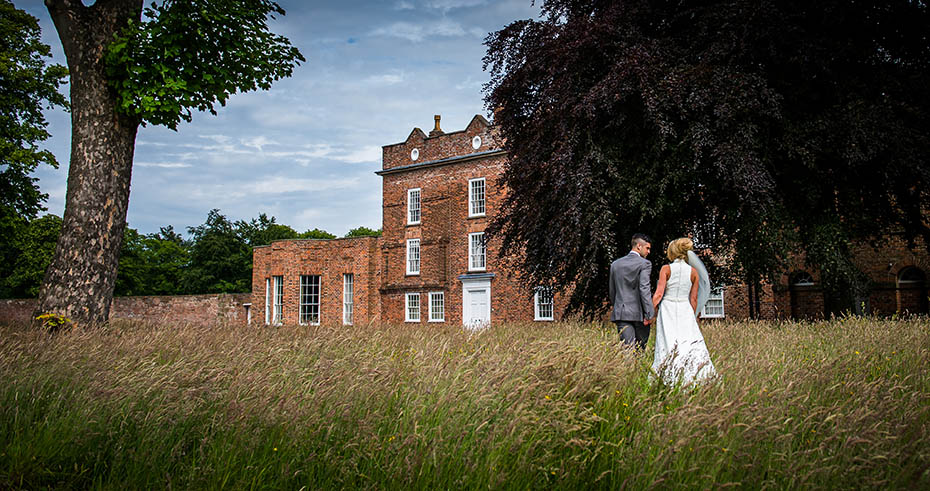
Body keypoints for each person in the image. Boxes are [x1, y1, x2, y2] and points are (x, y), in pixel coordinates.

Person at [651, 238, 716, 384]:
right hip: (685, 309)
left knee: (667, 340)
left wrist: (650, 311)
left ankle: (667, 376)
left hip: (668, 307)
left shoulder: (666, 269)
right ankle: (695, 375)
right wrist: (692, 316)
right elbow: (693, 299)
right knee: (688, 341)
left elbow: (659, 294)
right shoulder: (693, 272)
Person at [609, 233, 655, 350]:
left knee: (627, 351)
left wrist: (618, 306)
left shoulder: (615, 264)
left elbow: (612, 290)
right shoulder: (645, 264)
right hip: (640, 315)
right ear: (639, 246)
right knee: (639, 352)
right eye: (647, 248)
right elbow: (644, 289)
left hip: (622, 313)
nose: (648, 252)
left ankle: (628, 369)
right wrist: (649, 313)